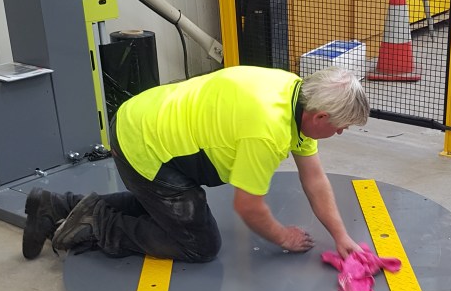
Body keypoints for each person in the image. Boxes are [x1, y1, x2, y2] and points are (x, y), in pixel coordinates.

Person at [21, 64, 369, 263]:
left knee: (167, 207)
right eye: (340, 127)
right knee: (199, 245)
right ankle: (96, 224)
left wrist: (340, 236)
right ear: (319, 116)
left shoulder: (295, 92)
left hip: (145, 117)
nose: (339, 133)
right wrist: (284, 237)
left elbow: (314, 179)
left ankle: (57, 205)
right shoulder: (267, 130)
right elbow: (248, 207)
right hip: (145, 145)